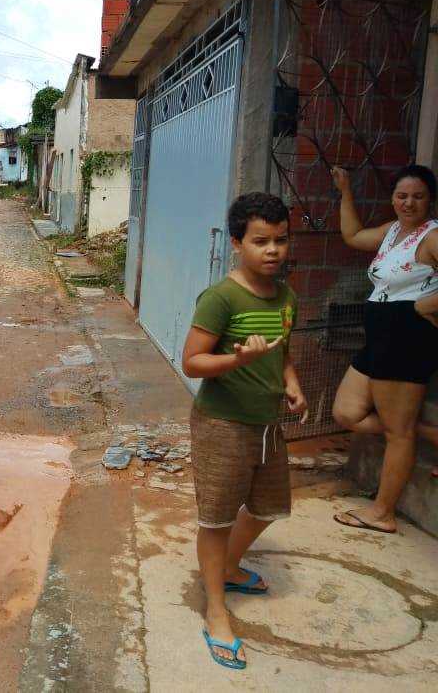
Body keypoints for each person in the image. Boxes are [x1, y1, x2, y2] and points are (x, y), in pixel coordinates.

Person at [181, 192, 307, 671]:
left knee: (268, 507)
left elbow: (283, 352)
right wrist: (238, 360)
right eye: (260, 241)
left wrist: (292, 385)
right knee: (216, 519)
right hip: (222, 425)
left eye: (280, 240)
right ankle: (215, 610)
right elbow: (193, 362)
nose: (272, 250)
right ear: (237, 243)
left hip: (267, 425)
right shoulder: (221, 299)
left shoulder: (287, 296)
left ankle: (228, 567)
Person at [331, 164, 438, 533]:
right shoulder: (393, 231)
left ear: (430, 200)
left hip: (408, 341)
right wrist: (346, 190)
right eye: (402, 196)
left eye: (418, 196)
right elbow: (353, 235)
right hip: (380, 340)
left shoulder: (432, 236)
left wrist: (425, 305)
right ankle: (428, 431)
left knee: (397, 434)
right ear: (392, 198)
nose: (409, 203)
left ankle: (382, 513)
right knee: (346, 412)